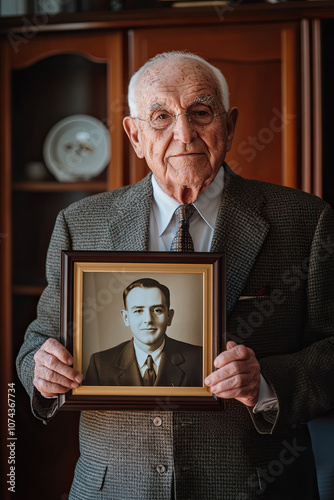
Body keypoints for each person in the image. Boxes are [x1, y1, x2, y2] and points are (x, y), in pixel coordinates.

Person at [16, 50, 334, 500]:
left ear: (230, 123)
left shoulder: (305, 220)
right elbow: (38, 340)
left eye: (201, 113)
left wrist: (265, 381)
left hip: (256, 486)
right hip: (114, 488)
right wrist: (40, 370)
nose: (184, 134)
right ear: (134, 134)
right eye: (161, 116)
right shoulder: (79, 223)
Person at [84, 278, 202, 387]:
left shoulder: (200, 359)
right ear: (126, 317)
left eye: (157, 310)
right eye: (138, 310)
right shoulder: (100, 365)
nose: (148, 319)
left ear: (169, 317)